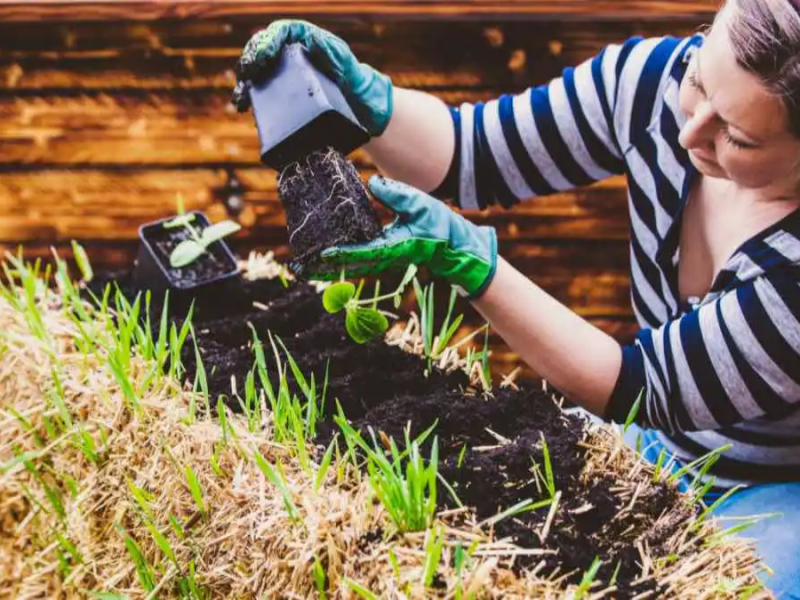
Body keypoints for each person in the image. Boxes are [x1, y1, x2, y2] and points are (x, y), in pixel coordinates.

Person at [233, 0, 800, 595]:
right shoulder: (651, 84)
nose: (689, 132)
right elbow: (474, 151)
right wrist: (368, 98)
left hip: (776, 486)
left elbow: (636, 386)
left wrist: (473, 267)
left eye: (736, 138)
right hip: (659, 441)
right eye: (699, 82)